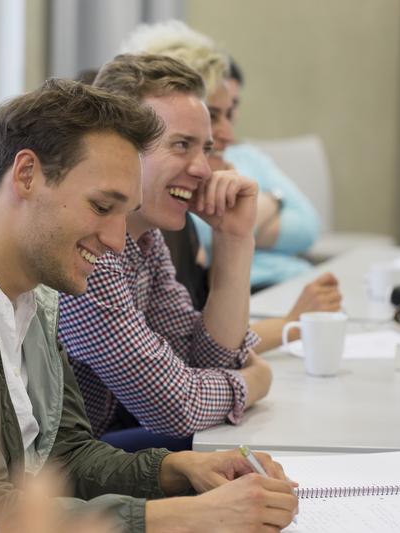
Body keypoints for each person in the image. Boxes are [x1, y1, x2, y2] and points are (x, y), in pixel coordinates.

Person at [0, 79, 299, 532]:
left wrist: (182, 470)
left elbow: (65, 456)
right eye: (100, 206)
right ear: (27, 175)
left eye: (124, 213)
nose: (116, 242)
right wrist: (188, 518)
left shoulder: (36, 286)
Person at [58, 54, 273, 447]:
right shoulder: (89, 244)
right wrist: (252, 383)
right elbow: (173, 408)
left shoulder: (144, 237)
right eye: (181, 145)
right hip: (53, 475)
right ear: (120, 150)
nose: (204, 170)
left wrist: (235, 239)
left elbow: (202, 359)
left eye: (204, 148)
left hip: (96, 447)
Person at [121, 20, 341, 353]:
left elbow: (308, 226)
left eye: (227, 115)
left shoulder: (154, 238)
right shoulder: (141, 228)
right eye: (184, 142)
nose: (227, 134)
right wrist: (284, 331)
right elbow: (176, 386)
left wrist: (241, 232)